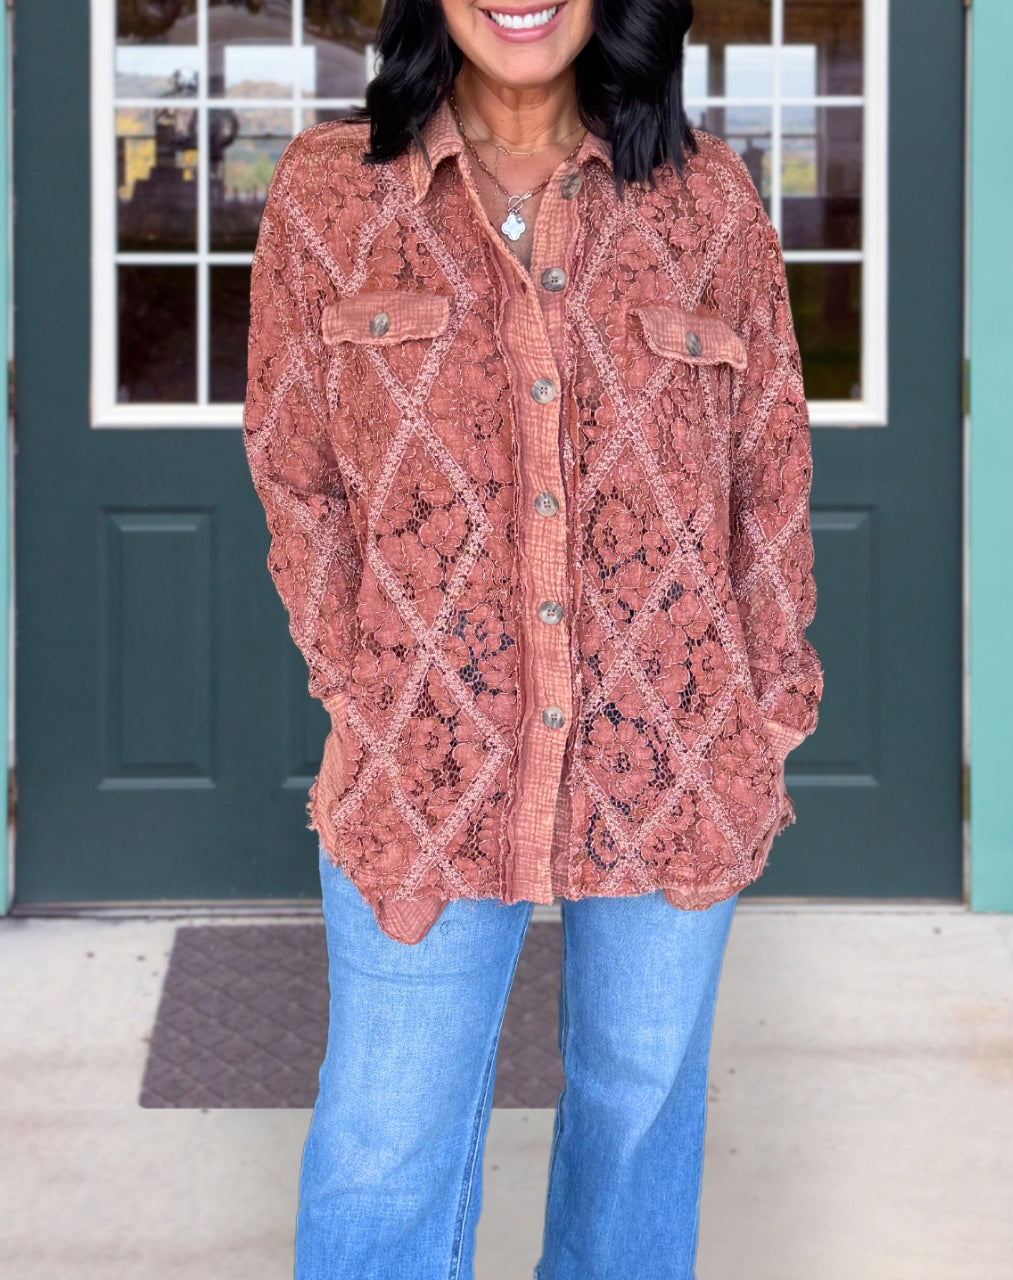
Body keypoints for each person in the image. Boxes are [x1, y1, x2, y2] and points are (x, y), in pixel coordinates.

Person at [243, 1, 823, 1276]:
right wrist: (373, 685)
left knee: (635, 1113)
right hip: (424, 772)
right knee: (385, 1138)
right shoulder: (330, 197)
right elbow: (296, 473)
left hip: (673, 763)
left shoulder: (706, 204)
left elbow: (768, 474)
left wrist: (763, 718)